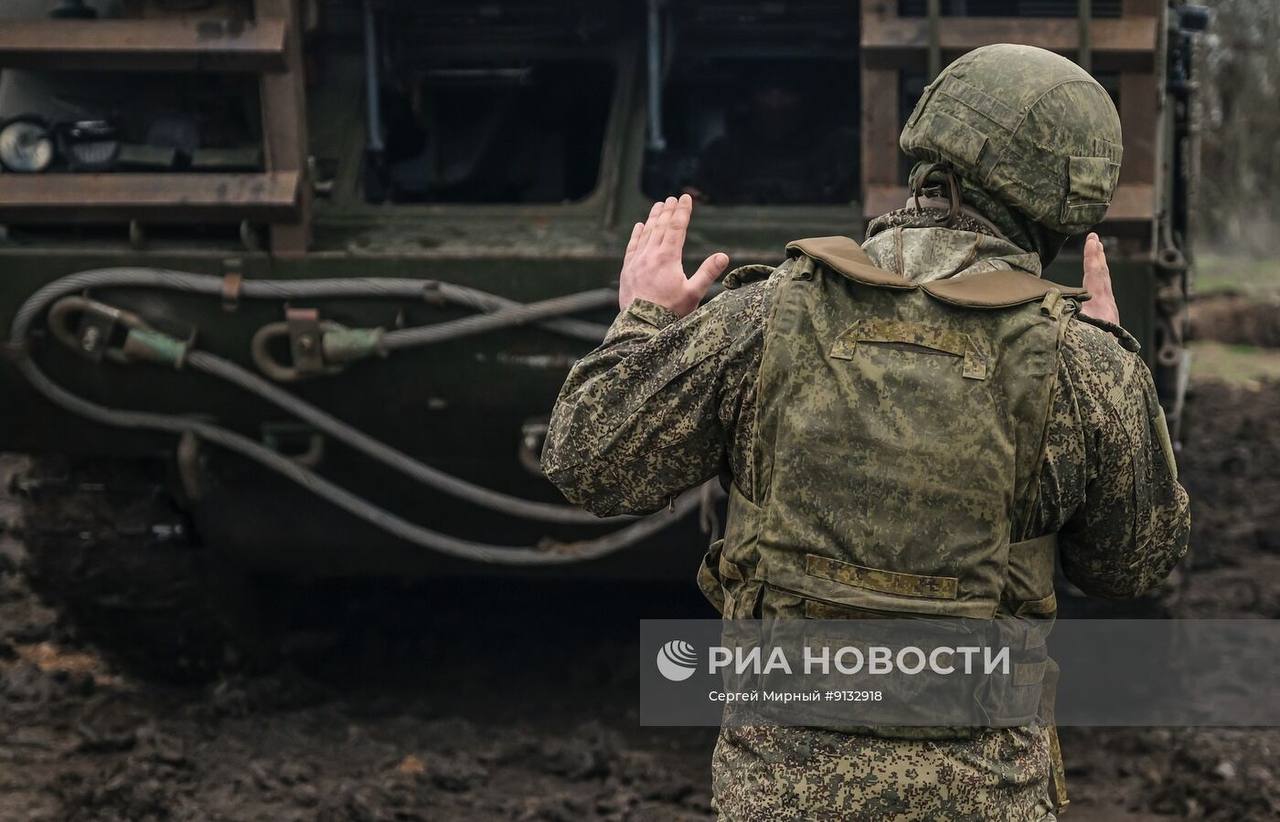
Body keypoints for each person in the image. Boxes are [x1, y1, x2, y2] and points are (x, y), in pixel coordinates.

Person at [542, 44, 1190, 821]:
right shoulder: (1082, 362)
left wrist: (644, 319)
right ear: (1068, 200)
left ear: (929, 155)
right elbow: (1130, 566)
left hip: (780, 796)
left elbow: (589, 462)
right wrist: (1115, 365)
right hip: (986, 795)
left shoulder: (765, 315)